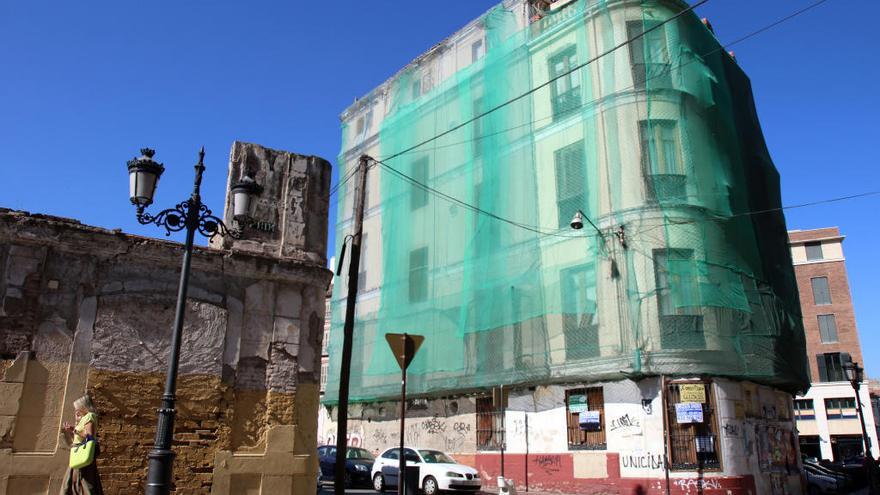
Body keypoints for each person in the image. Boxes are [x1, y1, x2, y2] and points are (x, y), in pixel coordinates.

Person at [60, 394, 104, 495]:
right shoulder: (84, 418)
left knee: (83, 480)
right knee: (78, 480)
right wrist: (73, 428)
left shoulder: (90, 416)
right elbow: (78, 437)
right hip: (78, 452)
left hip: (82, 452)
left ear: (84, 406)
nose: (77, 410)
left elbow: (89, 435)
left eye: (78, 408)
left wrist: (74, 430)